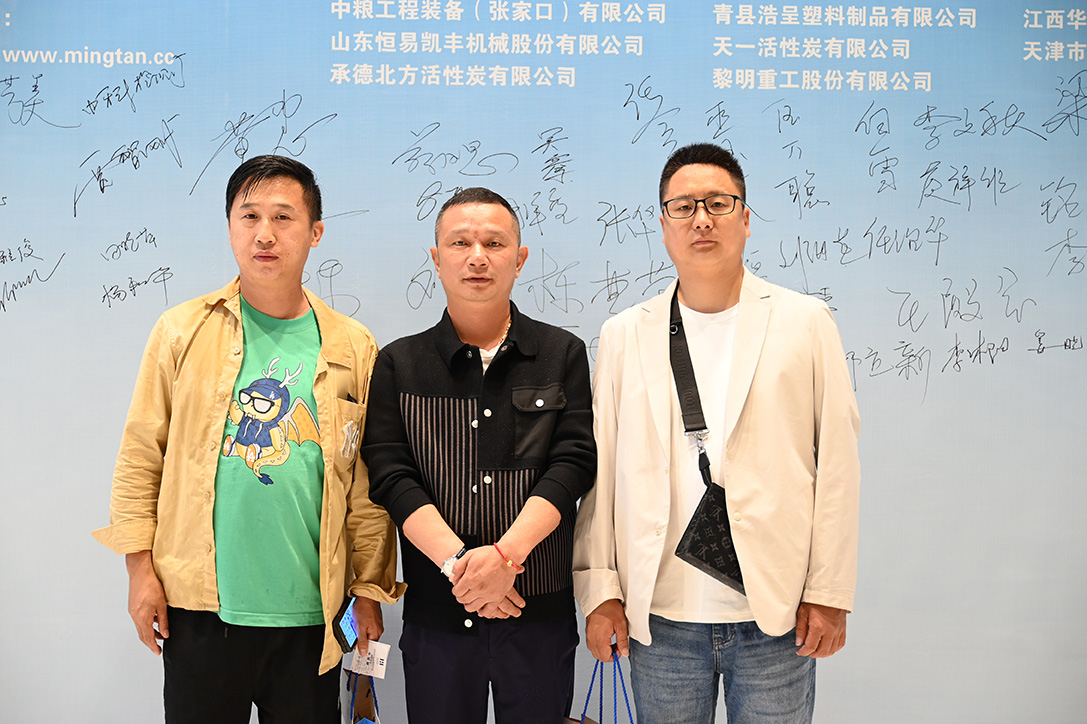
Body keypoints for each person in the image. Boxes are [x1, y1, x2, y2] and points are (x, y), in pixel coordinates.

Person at [92, 155, 404, 723]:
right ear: (230, 227)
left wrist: (368, 590)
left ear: (315, 232)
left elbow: (364, 484)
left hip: (312, 616)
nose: (265, 234)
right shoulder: (182, 331)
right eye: (250, 216)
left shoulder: (353, 346)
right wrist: (139, 572)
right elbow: (141, 457)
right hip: (199, 611)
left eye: (283, 217)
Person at [572, 142, 861, 724]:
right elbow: (601, 471)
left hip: (775, 613)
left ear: (746, 219)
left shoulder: (805, 322)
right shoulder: (625, 334)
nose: (700, 219)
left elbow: (837, 463)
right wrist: (600, 589)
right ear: (663, 225)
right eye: (683, 207)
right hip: (660, 616)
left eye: (718, 203)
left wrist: (829, 592)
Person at [361, 187, 596, 724]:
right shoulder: (399, 363)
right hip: (439, 616)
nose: (477, 257)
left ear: (520, 257)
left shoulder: (562, 354)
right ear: (436, 257)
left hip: (538, 612)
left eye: (494, 243)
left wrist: (507, 559)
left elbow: (573, 462)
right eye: (460, 243)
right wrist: (460, 568)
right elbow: (392, 474)